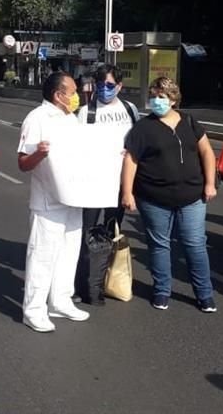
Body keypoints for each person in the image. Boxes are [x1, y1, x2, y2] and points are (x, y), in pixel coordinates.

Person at [121, 77, 218, 313]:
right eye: (153, 96)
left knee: (195, 244)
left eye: (161, 97)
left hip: (192, 196)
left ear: (173, 99)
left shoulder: (189, 122)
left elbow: (206, 152)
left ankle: (204, 293)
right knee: (159, 245)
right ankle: (161, 290)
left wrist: (210, 183)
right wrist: (127, 193)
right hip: (154, 198)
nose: (156, 101)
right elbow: (131, 160)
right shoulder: (143, 128)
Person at [17, 71, 90, 332]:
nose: (76, 96)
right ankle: (34, 309)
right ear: (59, 95)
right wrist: (39, 153)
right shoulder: (37, 118)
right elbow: (23, 164)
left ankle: (60, 301)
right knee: (43, 255)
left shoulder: (71, 119)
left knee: (69, 251)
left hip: (73, 198)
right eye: (72, 92)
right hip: (48, 200)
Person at [74, 64, 139, 304]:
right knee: (87, 235)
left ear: (120, 86)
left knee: (112, 233)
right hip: (92, 183)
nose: (105, 89)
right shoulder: (85, 112)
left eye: (110, 85)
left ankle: (106, 281)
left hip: (119, 184)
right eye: (100, 84)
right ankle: (83, 285)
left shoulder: (130, 110)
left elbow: (137, 144)